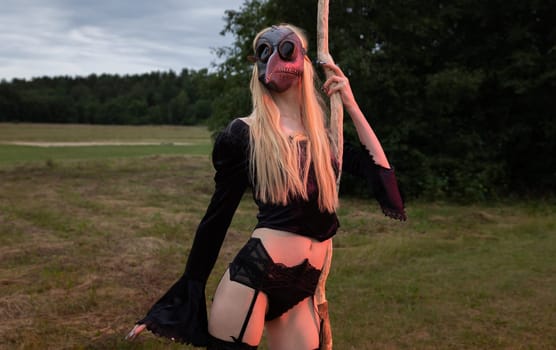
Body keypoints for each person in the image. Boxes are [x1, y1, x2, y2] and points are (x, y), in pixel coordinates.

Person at [126, 24, 405, 350]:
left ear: (302, 60)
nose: (274, 57)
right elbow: (217, 218)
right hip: (254, 279)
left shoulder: (325, 140)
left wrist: (352, 105)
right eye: (263, 51)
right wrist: (186, 290)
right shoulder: (246, 134)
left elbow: (386, 184)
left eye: (286, 48)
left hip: (302, 289)